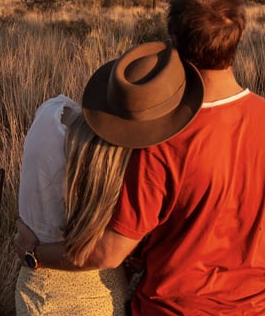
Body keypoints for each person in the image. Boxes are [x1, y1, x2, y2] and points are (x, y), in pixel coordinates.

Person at [20, 0, 265, 314]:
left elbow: (112, 252)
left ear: (174, 41)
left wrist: (36, 255)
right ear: (238, 37)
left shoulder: (161, 141)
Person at [15, 40, 204, 315]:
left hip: (34, 288)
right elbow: (113, 251)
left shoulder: (49, 112)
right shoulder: (127, 169)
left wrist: (32, 250)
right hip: (100, 294)